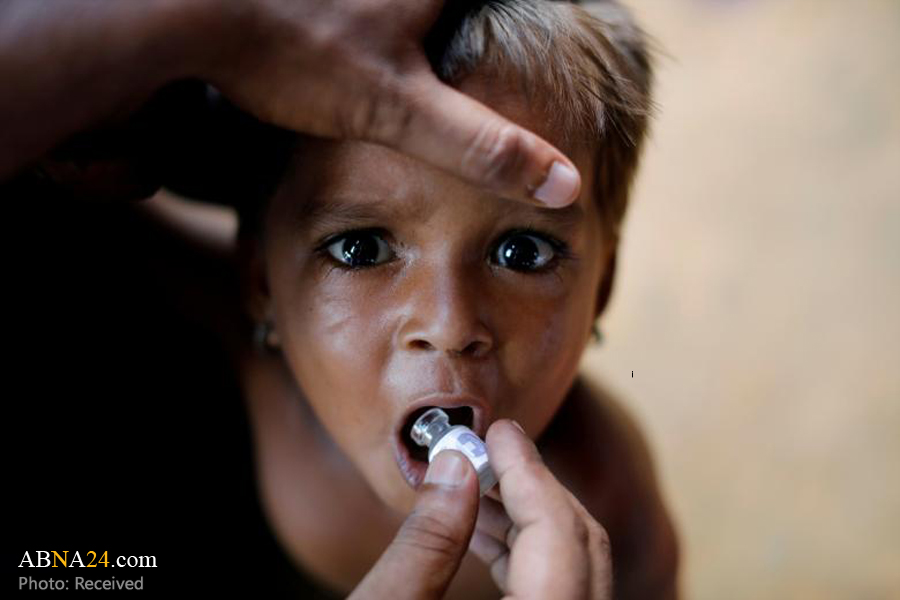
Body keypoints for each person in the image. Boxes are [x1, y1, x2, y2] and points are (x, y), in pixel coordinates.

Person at [4, 1, 676, 598]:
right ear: (261, 282)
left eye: (522, 252)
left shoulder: (605, 503)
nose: (449, 324)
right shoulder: (223, 339)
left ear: (602, 286)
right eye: (361, 249)